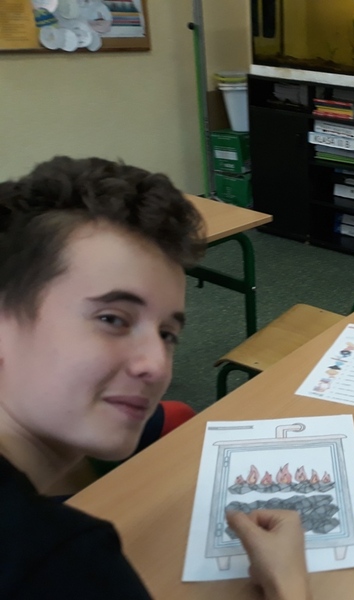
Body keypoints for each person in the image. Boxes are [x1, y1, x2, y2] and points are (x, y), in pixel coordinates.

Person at [0, 156, 309, 600]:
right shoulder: (60, 560)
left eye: (167, 334)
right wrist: (288, 584)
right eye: (112, 319)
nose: (158, 366)